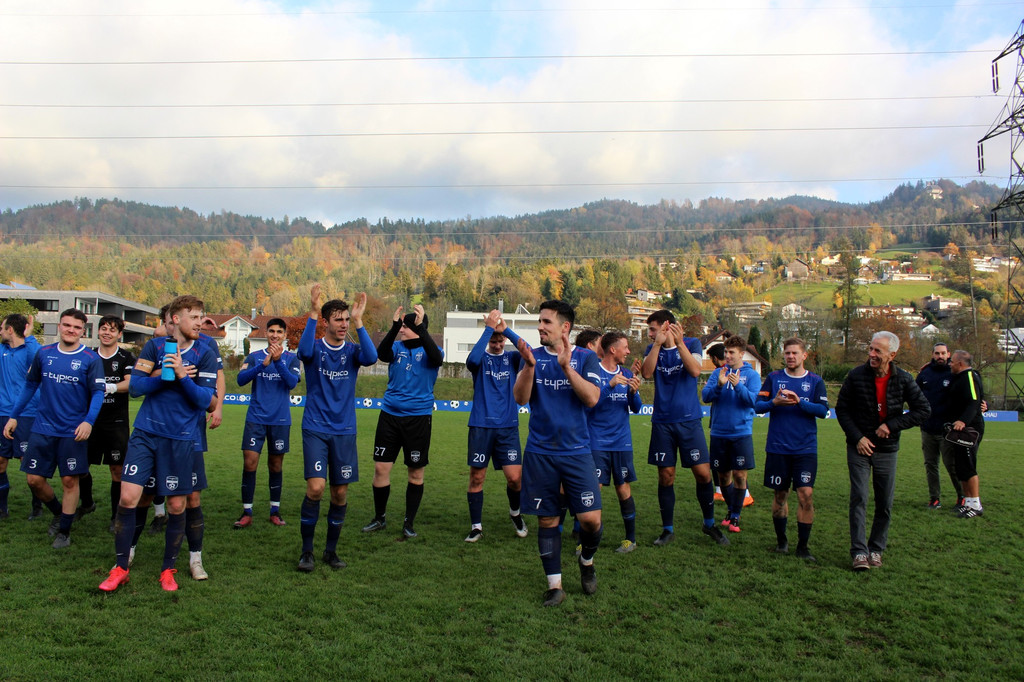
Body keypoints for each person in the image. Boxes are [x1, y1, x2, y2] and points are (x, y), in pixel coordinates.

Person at [99, 295, 219, 592]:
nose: (200, 323)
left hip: (181, 438)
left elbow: (207, 401)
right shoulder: (154, 347)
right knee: (128, 497)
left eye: (201, 317)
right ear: (176, 319)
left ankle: (168, 570)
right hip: (146, 433)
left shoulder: (204, 353)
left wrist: (181, 376)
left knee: (177, 504)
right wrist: (165, 378)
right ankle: (120, 568)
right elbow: (136, 387)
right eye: (194, 317)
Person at [513, 300, 603, 606]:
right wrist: (528, 367)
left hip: (577, 452)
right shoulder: (533, 357)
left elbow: (592, 399)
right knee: (548, 520)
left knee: (590, 520)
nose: (540, 326)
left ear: (565, 327)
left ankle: (586, 561)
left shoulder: (586, 358)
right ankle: (555, 586)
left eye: (546, 322)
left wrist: (566, 367)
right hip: (540, 453)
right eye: (539, 321)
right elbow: (520, 398)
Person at [3, 309, 104, 548]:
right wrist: (14, 416)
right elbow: (30, 386)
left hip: (72, 431)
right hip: (43, 428)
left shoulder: (90, 359)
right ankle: (59, 513)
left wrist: (88, 421)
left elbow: (98, 393)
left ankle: (64, 531)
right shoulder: (44, 353)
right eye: (67, 325)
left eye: (76, 327)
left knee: (69, 481)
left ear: (83, 331)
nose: (71, 330)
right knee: (34, 480)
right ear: (59, 326)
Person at [294, 285, 376, 572]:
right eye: (338, 319)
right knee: (316, 488)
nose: (343, 324)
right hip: (315, 428)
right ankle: (307, 551)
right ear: (326, 322)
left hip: (344, 431)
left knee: (339, 494)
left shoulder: (352, 351)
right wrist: (313, 312)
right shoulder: (315, 348)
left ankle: (330, 551)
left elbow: (371, 357)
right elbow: (303, 351)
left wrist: (359, 321)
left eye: (346, 319)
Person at [835, 331, 930, 572]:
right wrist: (858, 438)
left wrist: (892, 425)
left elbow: (923, 410)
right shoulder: (856, 376)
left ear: (892, 355)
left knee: (884, 502)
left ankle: (876, 548)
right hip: (858, 447)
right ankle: (859, 552)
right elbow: (842, 409)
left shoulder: (904, 379)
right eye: (870, 349)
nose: (872, 354)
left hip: (887, 449)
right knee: (859, 497)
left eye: (878, 350)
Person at [640, 310, 728, 547]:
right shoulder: (652, 348)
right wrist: (657, 345)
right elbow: (646, 373)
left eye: (652, 329)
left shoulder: (692, 343)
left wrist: (678, 344)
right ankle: (667, 529)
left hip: (689, 421)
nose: (649, 334)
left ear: (666, 326)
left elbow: (695, 371)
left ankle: (709, 524)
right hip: (662, 422)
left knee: (703, 473)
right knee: (666, 476)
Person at [362, 303, 443, 539]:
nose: (401, 330)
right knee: (381, 468)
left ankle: (409, 523)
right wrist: (394, 325)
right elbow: (381, 354)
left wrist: (421, 328)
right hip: (389, 416)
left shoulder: (433, 350)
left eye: (405, 327)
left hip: (418, 419)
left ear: (417, 328)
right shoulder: (396, 347)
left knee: (415, 473)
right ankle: (379, 518)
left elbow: (437, 359)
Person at [755, 337, 829, 561]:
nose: (790, 356)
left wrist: (800, 402)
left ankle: (803, 547)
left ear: (804, 355)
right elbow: (757, 406)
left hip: (805, 449)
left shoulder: (815, 381)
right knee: (780, 495)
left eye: (795, 353)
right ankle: (782, 542)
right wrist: (774, 403)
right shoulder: (774, 378)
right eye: (787, 353)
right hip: (778, 448)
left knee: (806, 494)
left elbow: (822, 410)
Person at [463, 310, 528, 543]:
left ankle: (515, 514)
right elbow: (471, 361)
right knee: (477, 478)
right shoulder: (481, 359)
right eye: (494, 341)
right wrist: (488, 329)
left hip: (507, 428)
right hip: (481, 426)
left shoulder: (512, 359)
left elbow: (530, 352)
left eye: (501, 341)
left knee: (515, 479)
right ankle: (476, 526)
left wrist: (506, 330)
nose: (498, 344)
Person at [234, 317, 300, 528]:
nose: (275, 335)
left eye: (279, 332)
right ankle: (247, 512)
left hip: (280, 420)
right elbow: (240, 380)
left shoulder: (291, 359)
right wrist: (262, 365)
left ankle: (275, 511)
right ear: (266, 333)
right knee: (250, 462)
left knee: (276, 465)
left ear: (285, 335)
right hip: (256, 419)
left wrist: (277, 361)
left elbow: (292, 383)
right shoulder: (254, 357)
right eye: (271, 331)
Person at [587, 331, 643, 553]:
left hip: (621, 443)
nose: (628, 351)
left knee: (623, 489)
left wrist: (633, 392)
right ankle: (585, 540)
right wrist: (609, 386)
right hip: (597, 442)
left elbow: (636, 408)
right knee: (593, 490)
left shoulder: (627, 373)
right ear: (613, 349)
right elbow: (589, 405)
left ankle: (630, 539)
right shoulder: (594, 372)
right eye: (625, 347)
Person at [77, 315, 135, 532]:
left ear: (119, 334)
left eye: (112, 330)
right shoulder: (88, 355)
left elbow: (130, 383)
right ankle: (87, 503)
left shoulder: (126, 357)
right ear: (98, 331)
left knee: (117, 470)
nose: (107, 333)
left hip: (116, 422)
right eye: (103, 328)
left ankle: (115, 516)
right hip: (90, 421)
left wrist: (109, 387)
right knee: (81, 467)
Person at [701, 335, 760, 533]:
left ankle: (735, 516)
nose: (727, 355)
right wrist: (719, 385)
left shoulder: (751, 376)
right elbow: (705, 396)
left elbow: (753, 401)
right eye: (726, 352)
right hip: (719, 433)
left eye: (731, 352)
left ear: (741, 354)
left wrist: (738, 385)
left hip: (741, 433)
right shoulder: (718, 373)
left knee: (740, 475)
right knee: (723, 476)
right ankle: (731, 510)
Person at [0, 313, 42, 520]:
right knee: (0, 461)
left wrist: (29, 336)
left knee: (28, 462)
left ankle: (37, 506)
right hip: (3, 413)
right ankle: (2, 508)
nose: (0, 331)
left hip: (27, 414)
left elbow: (40, 360)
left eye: (2, 328)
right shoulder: (2, 350)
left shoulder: (30, 350)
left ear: (10, 330)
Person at [915, 343, 963, 509]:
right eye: (937, 353)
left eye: (943, 353)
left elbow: (968, 392)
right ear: (932, 354)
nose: (940, 356)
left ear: (948, 354)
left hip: (947, 430)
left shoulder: (954, 373)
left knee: (952, 466)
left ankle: (962, 496)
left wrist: (983, 404)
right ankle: (934, 498)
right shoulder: (925, 373)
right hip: (927, 428)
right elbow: (914, 395)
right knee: (931, 465)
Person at [946, 350, 985, 518]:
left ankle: (976, 504)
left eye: (952, 362)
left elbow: (974, 401)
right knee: (961, 465)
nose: (950, 364)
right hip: (959, 430)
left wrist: (963, 421)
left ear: (960, 364)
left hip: (970, 430)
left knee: (968, 465)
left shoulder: (969, 376)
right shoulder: (959, 378)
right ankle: (968, 502)